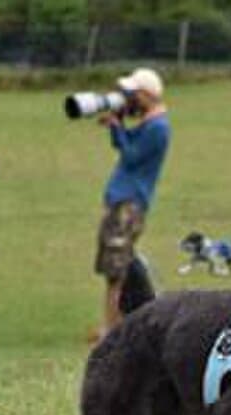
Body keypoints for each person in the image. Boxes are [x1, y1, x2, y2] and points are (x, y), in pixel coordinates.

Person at [94, 68, 170, 339]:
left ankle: (112, 331)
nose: (127, 98)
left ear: (146, 95)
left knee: (117, 271)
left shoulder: (158, 128)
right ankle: (136, 319)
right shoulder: (149, 123)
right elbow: (124, 148)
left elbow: (131, 156)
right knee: (118, 267)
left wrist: (118, 127)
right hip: (122, 201)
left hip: (130, 204)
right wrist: (117, 127)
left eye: (132, 94)